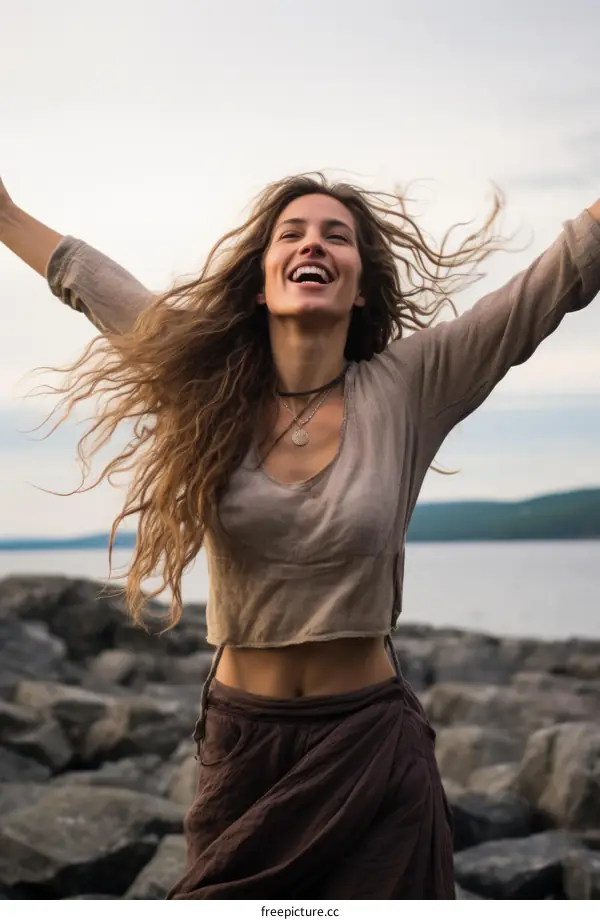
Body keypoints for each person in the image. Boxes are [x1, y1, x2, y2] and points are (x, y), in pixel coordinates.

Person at [1, 171, 599, 899]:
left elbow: (555, 279)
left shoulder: (412, 382)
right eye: (293, 233)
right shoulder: (206, 377)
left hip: (370, 746)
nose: (313, 243)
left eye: (335, 236)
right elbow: (89, 281)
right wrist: (7, 216)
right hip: (243, 747)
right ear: (260, 283)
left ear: (360, 289)